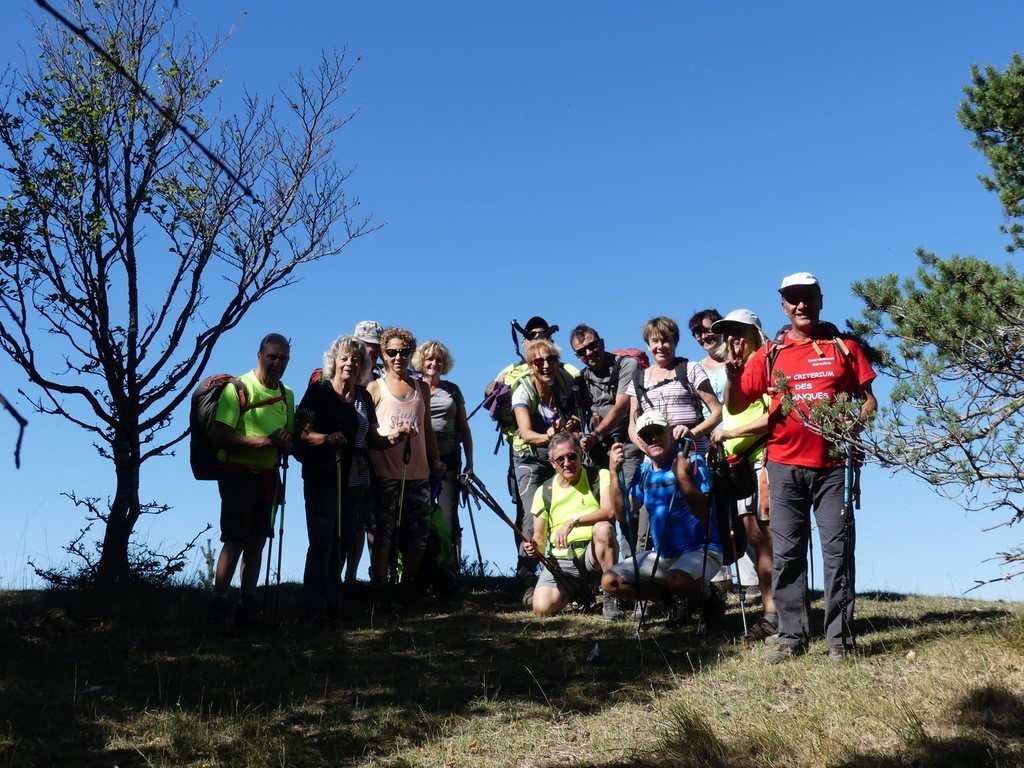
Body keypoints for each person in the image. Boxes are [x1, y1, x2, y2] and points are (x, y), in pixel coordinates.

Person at [724, 272, 877, 663]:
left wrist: (852, 427)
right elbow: (738, 404)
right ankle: (791, 637)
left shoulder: (844, 347)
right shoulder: (771, 353)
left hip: (833, 465)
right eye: (793, 299)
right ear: (783, 306)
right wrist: (733, 373)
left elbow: (869, 400)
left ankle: (839, 640)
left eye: (807, 297)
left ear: (820, 299)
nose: (801, 305)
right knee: (788, 554)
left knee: (837, 551)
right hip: (783, 464)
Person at [295, 335, 408, 626]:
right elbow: (302, 434)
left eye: (356, 359)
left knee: (344, 540)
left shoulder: (363, 397)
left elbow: (372, 438)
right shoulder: (318, 393)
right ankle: (315, 608)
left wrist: (396, 437)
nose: (350, 363)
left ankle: (335, 603)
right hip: (323, 473)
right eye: (344, 358)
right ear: (334, 361)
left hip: (355, 474)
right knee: (322, 540)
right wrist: (326, 438)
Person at [603, 410, 725, 626]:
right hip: (663, 556)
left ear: (669, 433)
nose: (652, 438)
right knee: (610, 582)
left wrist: (682, 478)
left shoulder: (692, 460)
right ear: (640, 441)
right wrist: (613, 473)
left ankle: (709, 598)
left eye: (658, 431)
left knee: (676, 579)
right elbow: (622, 514)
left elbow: (704, 513)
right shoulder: (644, 471)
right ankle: (678, 601)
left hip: (702, 549)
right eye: (646, 434)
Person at [208, 333, 295, 630]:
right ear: (259, 355)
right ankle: (218, 605)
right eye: (273, 357)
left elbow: (290, 439)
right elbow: (221, 436)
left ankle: (247, 605)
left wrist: (285, 441)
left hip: (268, 477)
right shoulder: (238, 389)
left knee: (257, 541)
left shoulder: (287, 395)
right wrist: (265, 442)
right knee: (234, 540)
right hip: (236, 474)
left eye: (283, 358)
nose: (278, 363)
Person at [709, 309, 778, 642]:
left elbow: (774, 418)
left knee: (770, 538)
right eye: (728, 333)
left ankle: (780, 614)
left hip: (763, 459)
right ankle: (771, 614)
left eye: (740, 331)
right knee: (755, 537)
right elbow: (732, 410)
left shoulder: (768, 364)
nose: (733, 338)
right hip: (739, 465)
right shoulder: (735, 370)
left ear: (755, 335)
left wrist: (727, 433)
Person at [626, 316, 722, 549]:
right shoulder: (639, 379)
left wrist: (692, 433)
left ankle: (710, 573)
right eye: (655, 341)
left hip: (691, 457)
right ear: (648, 345)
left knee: (699, 515)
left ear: (675, 342)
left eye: (666, 340)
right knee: (657, 517)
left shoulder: (690, 369)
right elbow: (632, 425)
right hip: (655, 463)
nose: (661, 347)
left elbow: (717, 412)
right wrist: (649, 450)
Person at [366, 327, 445, 605]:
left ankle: (408, 584)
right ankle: (380, 586)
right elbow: (367, 432)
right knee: (382, 531)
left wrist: (436, 460)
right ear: (383, 354)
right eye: (391, 352)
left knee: (418, 531)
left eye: (403, 352)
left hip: (418, 472)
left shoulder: (421, 387)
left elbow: (428, 429)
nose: (398, 357)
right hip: (384, 470)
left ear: (411, 354)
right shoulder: (374, 388)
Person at [510, 337, 582, 606]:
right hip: (531, 458)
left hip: (561, 455)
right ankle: (528, 581)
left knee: (571, 505)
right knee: (532, 516)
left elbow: (576, 411)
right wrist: (550, 435)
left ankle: (572, 576)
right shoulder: (522, 391)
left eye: (551, 359)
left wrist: (572, 422)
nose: (546, 365)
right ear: (529, 366)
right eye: (538, 361)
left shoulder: (565, 380)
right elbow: (526, 433)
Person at [522, 432, 623, 618]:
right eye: (560, 459)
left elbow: (610, 513)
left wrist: (573, 521)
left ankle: (611, 597)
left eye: (572, 456)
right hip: (560, 562)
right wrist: (534, 546)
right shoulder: (543, 491)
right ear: (552, 463)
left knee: (604, 528)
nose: (567, 463)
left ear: (581, 455)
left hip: (591, 556)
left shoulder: (599, 476)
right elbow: (539, 537)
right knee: (541, 609)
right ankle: (577, 594)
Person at [412, 340, 474, 566]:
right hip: (420, 456)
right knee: (420, 511)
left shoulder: (452, 390)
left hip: (449, 457)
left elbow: (464, 427)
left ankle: (452, 565)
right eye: (429, 358)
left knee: (449, 512)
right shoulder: (412, 386)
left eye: (439, 359)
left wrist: (469, 463)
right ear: (421, 361)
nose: (434, 363)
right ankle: (422, 566)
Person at [569, 324, 643, 481]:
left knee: (627, 497)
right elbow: (577, 414)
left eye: (592, 345)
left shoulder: (627, 365)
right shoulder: (581, 379)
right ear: (577, 356)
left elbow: (621, 406)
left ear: (601, 343)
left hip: (626, 444)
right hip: (598, 450)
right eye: (582, 352)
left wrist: (595, 435)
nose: (589, 353)